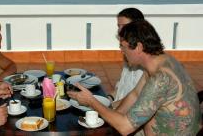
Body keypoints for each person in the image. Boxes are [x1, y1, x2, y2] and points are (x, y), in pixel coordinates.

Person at [68, 20, 201, 135]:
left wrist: (92, 102)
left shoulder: (160, 79)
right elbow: (135, 95)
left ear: (138, 47)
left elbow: (125, 128)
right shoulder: (162, 61)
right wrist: (110, 113)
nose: (121, 50)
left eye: (122, 46)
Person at [108, 8, 144, 103]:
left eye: (124, 26)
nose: (120, 31)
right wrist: (108, 99)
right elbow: (121, 88)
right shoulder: (128, 53)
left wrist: (109, 107)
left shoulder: (147, 63)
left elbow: (138, 99)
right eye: (118, 26)